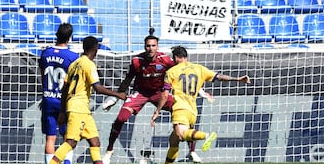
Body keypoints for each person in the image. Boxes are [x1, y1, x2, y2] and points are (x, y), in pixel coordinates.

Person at [151, 46, 251, 164]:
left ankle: (206, 136)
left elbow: (165, 95)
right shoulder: (199, 68)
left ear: (176, 58)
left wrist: (157, 111)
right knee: (173, 141)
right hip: (193, 111)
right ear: (186, 57)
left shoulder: (171, 72)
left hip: (180, 108)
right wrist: (238, 79)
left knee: (181, 134)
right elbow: (219, 77)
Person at [50, 36, 127, 164]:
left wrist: (63, 111)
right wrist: (118, 94)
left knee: (94, 141)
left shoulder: (74, 64)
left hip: (81, 109)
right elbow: (97, 87)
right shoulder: (89, 65)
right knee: (71, 142)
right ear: (95, 48)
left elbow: (65, 89)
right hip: (78, 108)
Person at [102, 33, 175, 164]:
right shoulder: (137, 61)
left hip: (159, 93)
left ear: (157, 47)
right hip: (140, 93)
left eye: (153, 46)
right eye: (148, 46)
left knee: (180, 110)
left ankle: (192, 151)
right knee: (121, 118)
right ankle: (109, 151)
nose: (151, 48)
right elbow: (128, 79)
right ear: (144, 46)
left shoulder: (165, 60)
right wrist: (116, 97)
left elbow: (179, 72)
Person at [39, 23, 79, 164]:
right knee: (68, 137)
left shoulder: (45, 53)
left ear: (56, 35)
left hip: (48, 99)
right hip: (64, 101)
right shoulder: (73, 57)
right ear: (70, 37)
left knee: (50, 138)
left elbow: (42, 71)